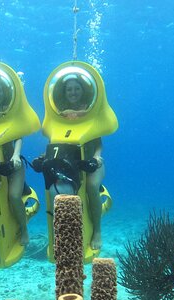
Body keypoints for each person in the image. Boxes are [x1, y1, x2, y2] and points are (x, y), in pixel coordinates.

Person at [61, 76, 105, 250]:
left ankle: (97, 231)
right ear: (65, 92)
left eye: (76, 88)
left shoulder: (90, 111)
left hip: (92, 163)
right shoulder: (60, 113)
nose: (73, 92)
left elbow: (98, 142)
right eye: (69, 89)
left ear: (82, 90)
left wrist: (96, 156)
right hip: (73, 163)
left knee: (91, 186)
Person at [0, 77, 30, 246]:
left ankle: (24, 229)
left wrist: (16, 155)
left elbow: (18, 137)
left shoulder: (9, 111)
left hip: (13, 166)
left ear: (4, 92)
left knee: (12, 196)